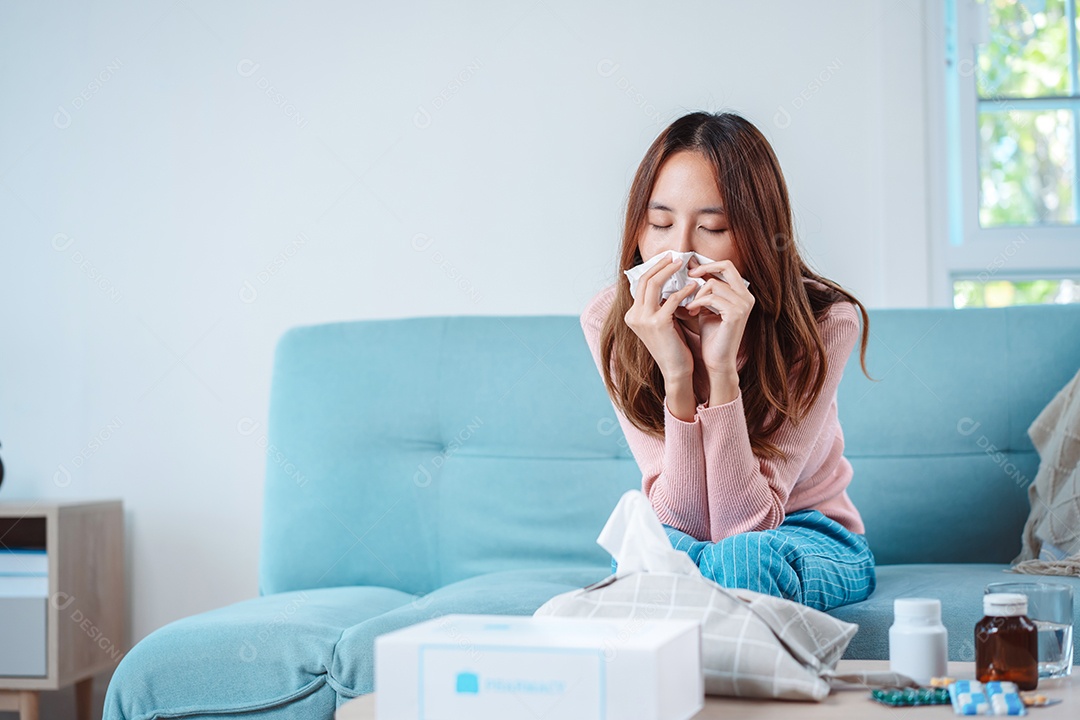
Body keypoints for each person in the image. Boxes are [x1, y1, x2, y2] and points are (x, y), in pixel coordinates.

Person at [580, 111, 875, 611]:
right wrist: (677, 374)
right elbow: (683, 523)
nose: (678, 251)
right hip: (691, 533)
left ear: (755, 236)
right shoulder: (612, 318)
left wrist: (719, 372)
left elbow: (749, 524)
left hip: (806, 531)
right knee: (654, 553)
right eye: (660, 223)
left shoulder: (823, 321)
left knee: (739, 559)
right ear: (637, 230)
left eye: (712, 228)